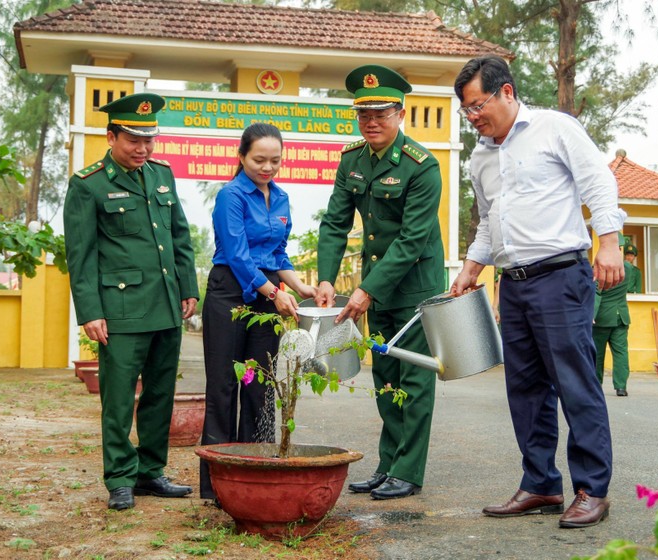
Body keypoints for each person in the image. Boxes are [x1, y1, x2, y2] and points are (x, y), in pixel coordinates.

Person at [450, 56, 626, 528]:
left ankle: (592, 489)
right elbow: (489, 221)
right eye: (466, 110)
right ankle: (540, 483)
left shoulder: (555, 128)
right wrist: (471, 268)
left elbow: (598, 182)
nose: (473, 117)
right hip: (514, 284)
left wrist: (608, 242)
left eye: (478, 105)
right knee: (525, 389)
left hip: (560, 276)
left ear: (506, 92)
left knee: (574, 382)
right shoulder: (480, 157)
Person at [64, 92, 199, 511]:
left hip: (164, 305)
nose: (143, 149)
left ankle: (151, 472)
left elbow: (179, 235)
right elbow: (80, 255)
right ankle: (120, 477)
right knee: (119, 399)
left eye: (149, 141)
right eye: (133, 141)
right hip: (119, 311)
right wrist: (90, 311)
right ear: (111, 137)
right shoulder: (88, 185)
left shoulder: (161, 175)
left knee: (160, 394)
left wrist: (188, 287)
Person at [316, 64, 444, 500]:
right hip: (375, 286)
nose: (371, 122)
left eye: (382, 114)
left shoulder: (422, 167)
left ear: (401, 113)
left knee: (414, 380)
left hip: (414, 288)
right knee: (385, 379)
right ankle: (388, 464)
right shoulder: (351, 159)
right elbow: (335, 222)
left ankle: (408, 470)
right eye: (364, 114)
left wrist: (367, 289)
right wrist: (328, 279)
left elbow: (411, 240)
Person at [200, 123, 316, 501]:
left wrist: (298, 287)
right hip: (230, 293)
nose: (268, 168)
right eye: (259, 160)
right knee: (225, 386)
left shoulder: (280, 198)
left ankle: (254, 477)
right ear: (241, 156)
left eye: (275, 161)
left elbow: (278, 254)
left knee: (260, 386)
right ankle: (218, 485)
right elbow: (237, 254)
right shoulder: (230, 195)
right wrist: (274, 292)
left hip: (268, 295)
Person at [594, 236, 633, 397]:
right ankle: (621, 386)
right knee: (621, 352)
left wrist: (591, 313)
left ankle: (596, 385)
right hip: (621, 315)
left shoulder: (599, 268)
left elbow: (596, 293)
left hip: (602, 317)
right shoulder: (628, 268)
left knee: (597, 354)